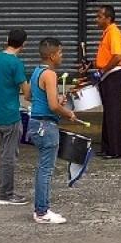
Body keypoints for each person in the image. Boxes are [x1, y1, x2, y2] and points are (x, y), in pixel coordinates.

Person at [27, 38, 79, 224]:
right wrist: (68, 113)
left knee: (43, 168)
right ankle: (42, 212)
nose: (62, 56)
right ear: (52, 55)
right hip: (46, 126)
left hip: (35, 124)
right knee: (46, 170)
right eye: (60, 53)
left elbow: (28, 95)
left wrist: (57, 100)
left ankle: (40, 209)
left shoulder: (36, 72)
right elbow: (52, 105)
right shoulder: (50, 74)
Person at [0, 28, 30, 205]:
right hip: (11, 113)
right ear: (24, 45)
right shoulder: (16, 63)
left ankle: (5, 191)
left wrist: (1, 90)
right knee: (9, 156)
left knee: (6, 152)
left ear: (7, 40)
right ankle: (6, 193)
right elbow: (27, 92)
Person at [94, 5, 121, 159]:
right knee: (108, 113)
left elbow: (117, 56)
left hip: (112, 76)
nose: (96, 19)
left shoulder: (113, 32)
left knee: (113, 113)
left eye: (99, 16)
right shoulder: (107, 33)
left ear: (108, 18)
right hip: (107, 75)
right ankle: (107, 147)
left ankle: (115, 150)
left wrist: (102, 70)